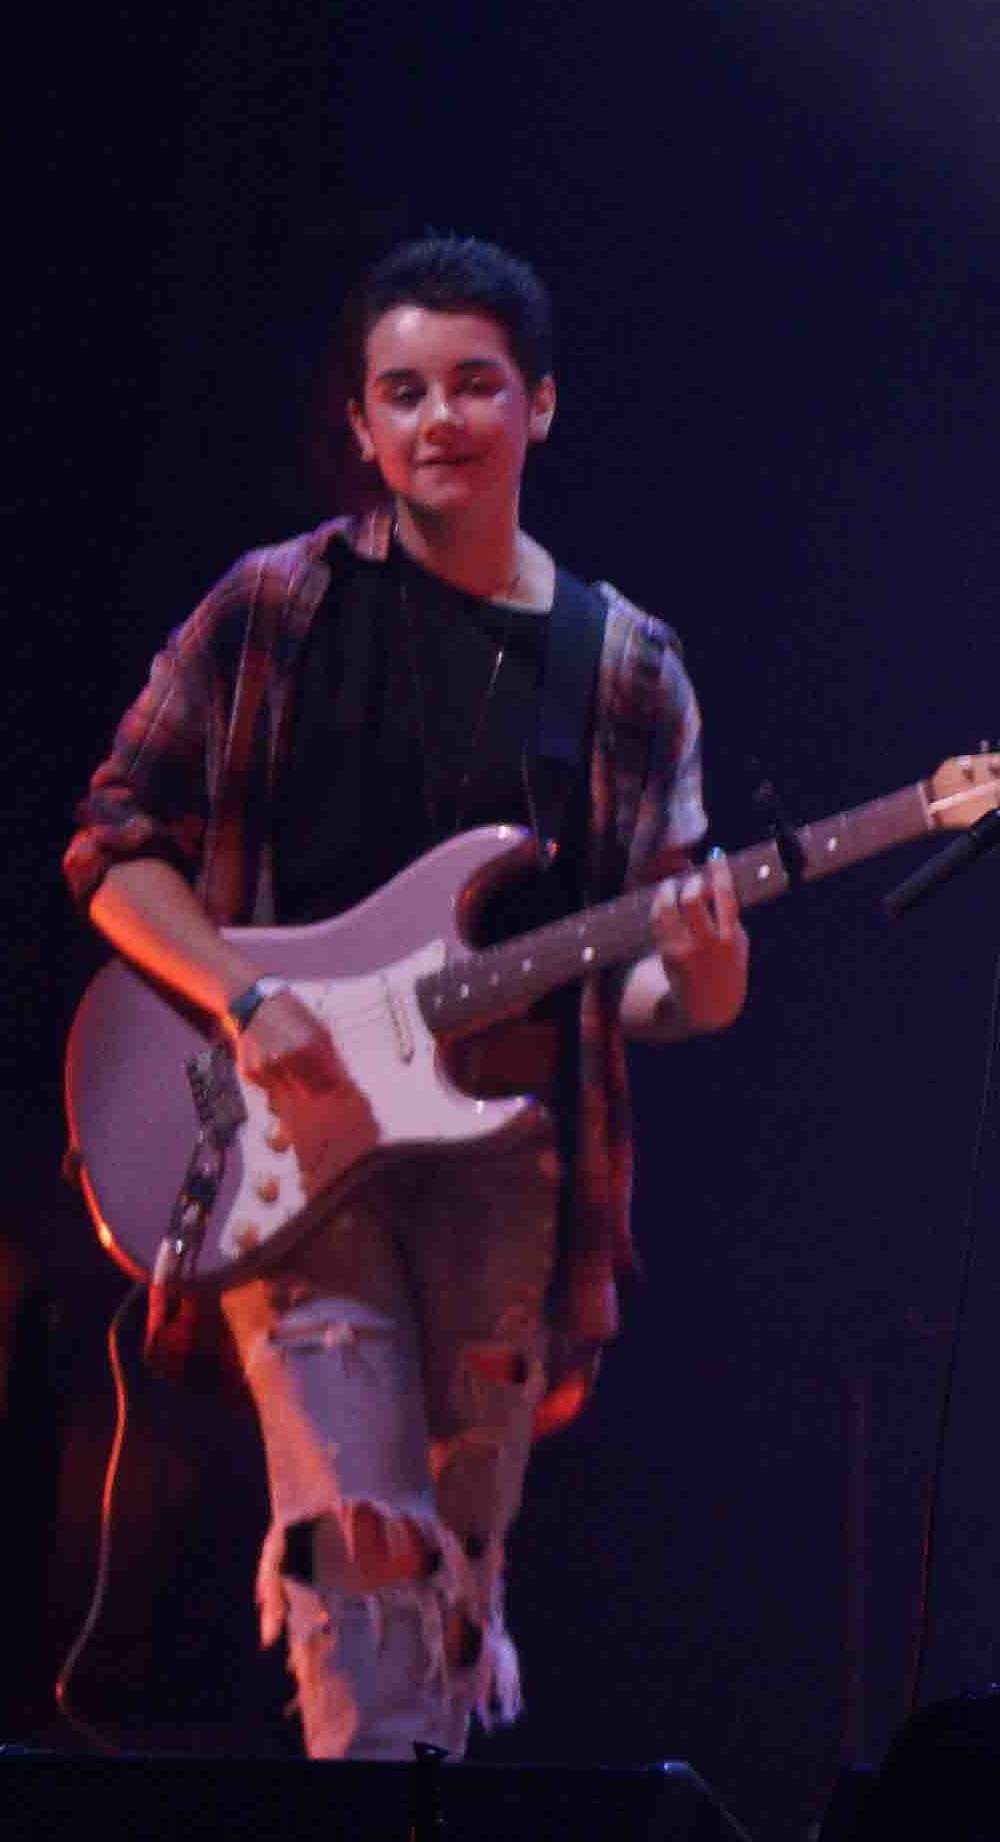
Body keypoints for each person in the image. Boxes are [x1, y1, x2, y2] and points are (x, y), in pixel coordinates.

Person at [66, 234, 747, 1757]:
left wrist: (701, 973)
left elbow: (645, 994)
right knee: (357, 1541)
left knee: (450, 1568)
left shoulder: (627, 665)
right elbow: (114, 849)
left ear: (540, 405)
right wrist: (245, 997)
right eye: (405, 391)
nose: (441, 419)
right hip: (289, 1138)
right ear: (364, 423)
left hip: (503, 1165)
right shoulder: (274, 607)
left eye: (475, 385)